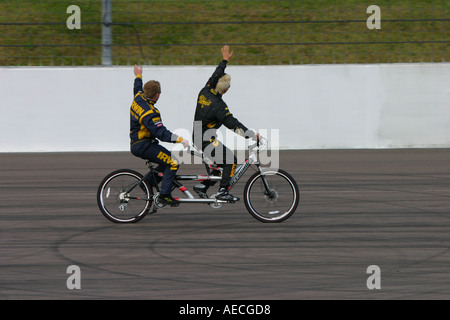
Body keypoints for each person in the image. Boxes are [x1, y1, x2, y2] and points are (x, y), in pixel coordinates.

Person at [192, 45, 260, 202]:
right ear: (226, 90)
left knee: (221, 164)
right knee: (231, 160)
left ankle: (203, 186)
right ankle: (223, 191)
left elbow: (216, 74)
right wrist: (250, 135)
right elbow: (233, 124)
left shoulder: (205, 90)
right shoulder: (219, 106)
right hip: (204, 139)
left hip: (199, 135)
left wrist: (224, 60)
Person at [130, 64, 189, 206]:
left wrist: (138, 75)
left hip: (139, 142)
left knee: (166, 159)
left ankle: (148, 184)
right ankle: (165, 195)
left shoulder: (138, 98)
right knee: (173, 161)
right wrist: (180, 140)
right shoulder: (150, 113)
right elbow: (161, 133)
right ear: (157, 95)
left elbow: (137, 87)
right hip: (143, 145)